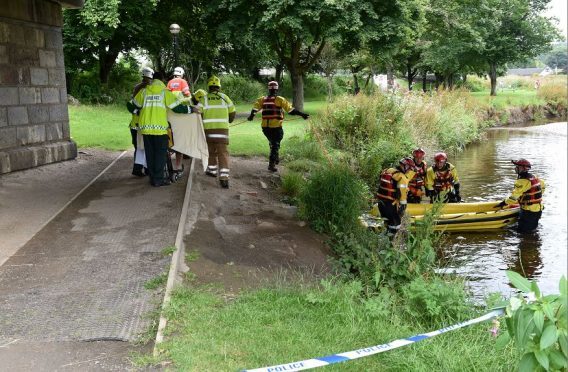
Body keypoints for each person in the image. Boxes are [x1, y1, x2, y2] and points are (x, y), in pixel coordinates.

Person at [128, 71, 191, 187]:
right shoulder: (165, 92)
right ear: (162, 79)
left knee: (150, 154)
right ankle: (158, 180)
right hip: (160, 129)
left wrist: (138, 111)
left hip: (145, 129)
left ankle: (153, 178)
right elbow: (177, 108)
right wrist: (191, 110)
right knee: (160, 155)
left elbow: (130, 105)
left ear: (153, 79)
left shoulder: (144, 91)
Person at [247, 81, 309, 172]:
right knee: (275, 143)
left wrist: (251, 116)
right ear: (277, 89)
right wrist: (302, 114)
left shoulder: (262, 99)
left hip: (265, 128)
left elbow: (255, 109)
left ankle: (275, 157)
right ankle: (271, 164)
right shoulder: (280, 99)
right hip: (276, 127)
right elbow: (291, 111)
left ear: (269, 89)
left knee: (273, 143)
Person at [195, 76, 235, 189]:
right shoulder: (225, 98)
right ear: (219, 87)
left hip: (209, 131)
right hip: (222, 131)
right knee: (223, 153)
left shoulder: (204, 99)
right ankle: (224, 178)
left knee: (211, 151)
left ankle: (212, 171)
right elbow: (232, 112)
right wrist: (229, 120)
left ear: (209, 87)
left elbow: (198, 112)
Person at [495, 159, 545, 233]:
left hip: (529, 211)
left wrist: (504, 203)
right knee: (531, 230)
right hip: (538, 209)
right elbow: (543, 188)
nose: (515, 168)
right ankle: (532, 242)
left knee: (524, 232)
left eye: (518, 167)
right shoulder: (534, 177)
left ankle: (528, 242)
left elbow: (513, 197)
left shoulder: (522, 181)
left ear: (523, 168)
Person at [376, 157, 416, 234]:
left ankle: (385, 239)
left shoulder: (387, 170)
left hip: (380, 202)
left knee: (386, 222)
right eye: (409, 169)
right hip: (390, 204)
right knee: (395, 224)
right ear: (406, 167)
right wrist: (403, 205)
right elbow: (402, 192)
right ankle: (392, 242)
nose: (408, 171)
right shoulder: (401, 177)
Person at [128, 67, 154, 177]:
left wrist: (136, 111)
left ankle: (138, 169)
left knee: (139, 148)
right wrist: (139, 112)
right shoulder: (147, 89)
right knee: (146, 148)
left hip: (135, 125)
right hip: (143, 125)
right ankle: (145, 169)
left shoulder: (137, 88)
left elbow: (130, 105)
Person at [167, 67, 192, 175]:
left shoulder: (169, 82)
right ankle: (177, 166)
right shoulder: (183, 81)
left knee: (170, 139)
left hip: (169, 115)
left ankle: (168, 163)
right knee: (180, 141)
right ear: (182, 74)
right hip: (180, 115)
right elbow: (187, 94)